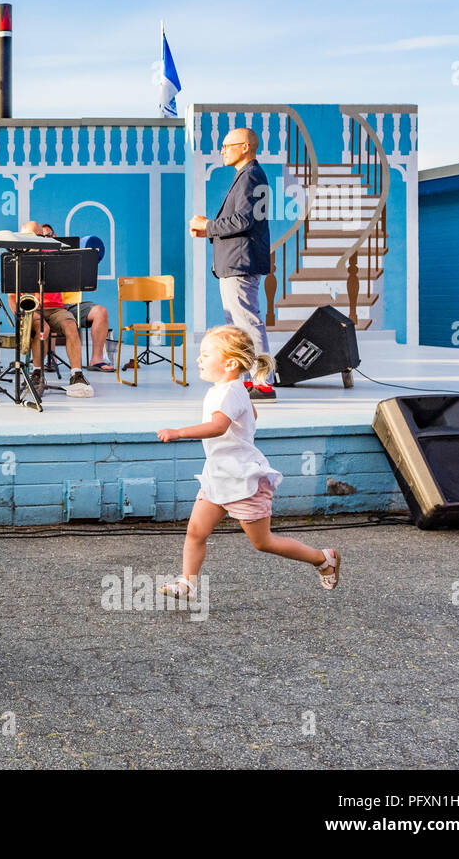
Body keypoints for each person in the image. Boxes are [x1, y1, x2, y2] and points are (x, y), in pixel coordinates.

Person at [155, 325, 341, 601]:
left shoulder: (230, 391)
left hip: (243, 480)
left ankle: (323, 559)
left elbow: (218, 427)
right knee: (195, 532)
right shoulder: (230, 389)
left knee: (262, 542)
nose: (199, 359)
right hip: (218, 476)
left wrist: (179, 432)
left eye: (206, 354)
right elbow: (250, 413)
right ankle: (188, 584)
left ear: (229, 362)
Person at [189, 127, 276, 401]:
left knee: (248, 324)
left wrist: (208, 225)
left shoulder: (250, 175)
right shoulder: (250, 175)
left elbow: (244, 220)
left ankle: (263, 382)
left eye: (227, 146)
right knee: (240, 327)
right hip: (236, 262)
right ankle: (250, 379)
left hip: (240, 262)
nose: (222, 151)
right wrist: (208, 230)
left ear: (245, 147)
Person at [10, 221, 93, 398]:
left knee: (71, 325)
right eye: (31, 237)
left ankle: (76, 374)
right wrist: (21, 315)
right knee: (42, 329)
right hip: (32, 309)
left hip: (55, 308)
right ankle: (38, 372)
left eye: (40, 236)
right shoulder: (16, 258)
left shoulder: (55, 255)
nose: (37, 240)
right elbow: (11, 297)